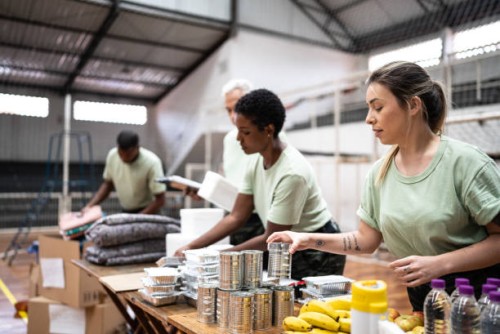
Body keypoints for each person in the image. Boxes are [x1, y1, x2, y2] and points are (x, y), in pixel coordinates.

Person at [267, 61, 500, 311]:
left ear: (413, 105)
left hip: (481, 298)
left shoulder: (466, 163)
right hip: (425, 299)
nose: (369, 119)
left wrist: (440, 264)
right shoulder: (379, 173)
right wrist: (305, 238)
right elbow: (366, 241)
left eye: (377, 107)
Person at [175, 89, 346, 280]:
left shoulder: (292, 173)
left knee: (306, 305)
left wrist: (216, 257)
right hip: (288, 244)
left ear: (268, 130)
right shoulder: (256, 160)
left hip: (318, 251)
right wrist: (192, 247)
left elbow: (269, 238)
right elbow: (236, 216)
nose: (239, 138)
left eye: (245, 132)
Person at [82, 130, 166, 214]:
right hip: (126, 210)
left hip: (149, 211)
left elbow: (160, 200)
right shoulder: (113, 156)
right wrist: (90, 206)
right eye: (120, 153)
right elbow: (108, 185)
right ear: (117, 148)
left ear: (137, 148)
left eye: (128, 154)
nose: (124, 158)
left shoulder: (152, 162)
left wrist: (137, 218)